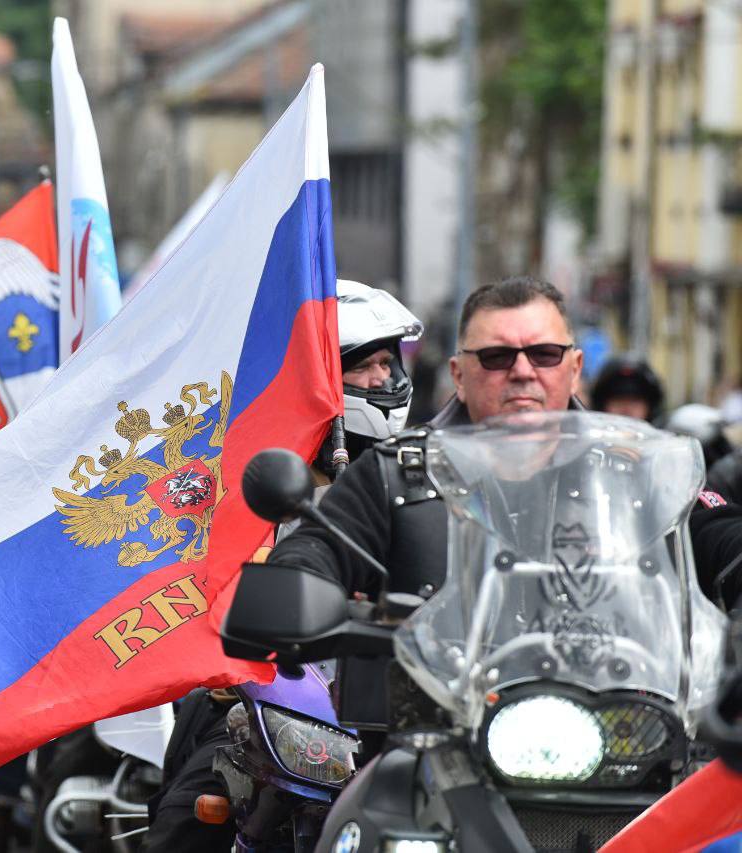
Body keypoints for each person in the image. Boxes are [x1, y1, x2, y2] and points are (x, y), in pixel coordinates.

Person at [266, 276, 742, 715]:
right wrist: (298, 588)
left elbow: (721, 536)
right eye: (496, 357)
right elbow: (316, 549)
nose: (521, 371)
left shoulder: (637, 475)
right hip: (433, 748)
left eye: (544, 354)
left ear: (575, 369)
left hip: (626, 736)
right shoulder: (396, 475)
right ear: (458, 374)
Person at [142, 280, 423, 853]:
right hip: (272, 710)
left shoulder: (423, 475)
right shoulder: (240, 479)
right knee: (184, 825)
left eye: (386, 363)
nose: (380, 379)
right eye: (361, 366)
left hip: (405, 713)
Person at [589, 354, 664, 422]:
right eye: (618, 401)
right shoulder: (585, 436)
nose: (626, 410)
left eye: (634, 402)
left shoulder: (665, 436)